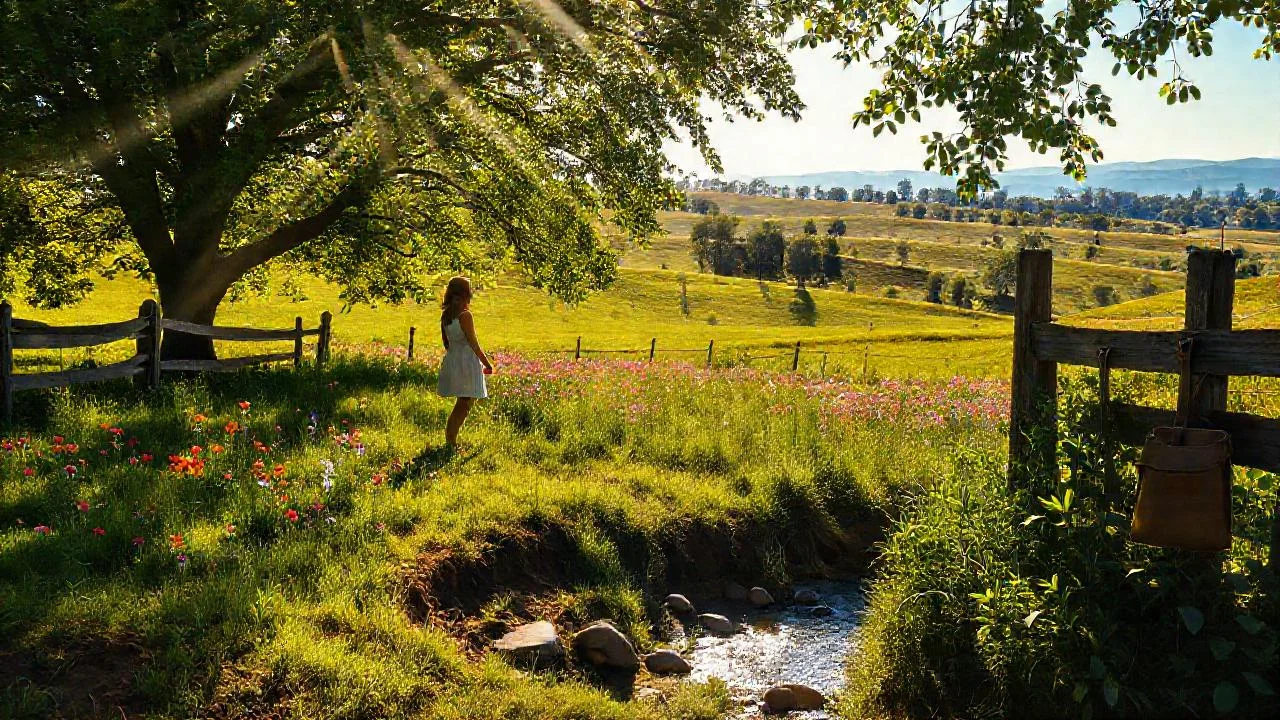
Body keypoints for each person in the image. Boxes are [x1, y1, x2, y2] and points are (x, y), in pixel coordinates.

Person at [437, 277, 493, 448]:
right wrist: (487, 364)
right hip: (467, 362)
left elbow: (446, 343)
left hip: (453, 359)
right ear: (465, 294)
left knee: (464, 401)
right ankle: (450, 440)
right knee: (464, 403)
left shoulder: (446, 315)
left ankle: (451, 439)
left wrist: (455, 357)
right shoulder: (465, 315)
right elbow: (473, 343)